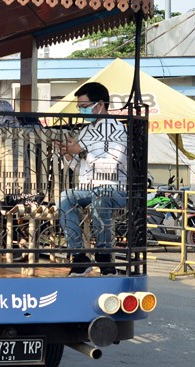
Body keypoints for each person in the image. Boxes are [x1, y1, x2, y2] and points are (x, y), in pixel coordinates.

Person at [55, 83, 127, 276]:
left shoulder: (118, 130)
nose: (81, 110)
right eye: (79, 107)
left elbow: (111, 166)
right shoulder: (86, 132)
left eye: (84, 106)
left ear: (100, 104)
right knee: (65, 197)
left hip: (114, 188)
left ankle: (104, 257)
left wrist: (82, 151)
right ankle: (79, 257)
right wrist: (68, 156)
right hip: (88, 187)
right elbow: (81, 169)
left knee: (101, 196)